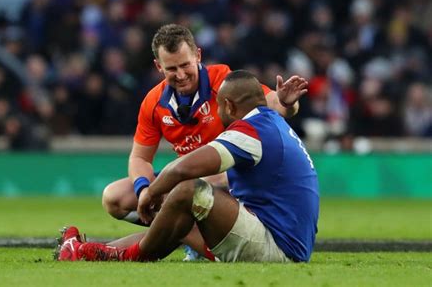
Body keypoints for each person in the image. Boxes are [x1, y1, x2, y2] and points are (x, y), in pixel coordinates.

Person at [56, 70, 319, 263]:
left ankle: (124, 255)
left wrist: (151, 192)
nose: (217, 113)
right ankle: (88, 252)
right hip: (284, 239)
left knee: (189, 191)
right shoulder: (271, 123)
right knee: (181, 213)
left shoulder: (251, 131)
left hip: (277, 247)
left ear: (228, 105)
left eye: (219, 107)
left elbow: (184, 169)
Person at [101, 24, 308, 225]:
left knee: (192, 185)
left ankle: (192, 237)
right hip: (186, 177)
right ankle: (183, 235)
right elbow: (140, 157)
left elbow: (273, 104)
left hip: (231, 177)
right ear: (158, 66)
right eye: (171, 69)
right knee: (114, 197)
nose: (180, 75)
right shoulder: (153, 102)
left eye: (185, 65)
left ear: (198, 56)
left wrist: (287, 103)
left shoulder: (223, 81)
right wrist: (144, 190)